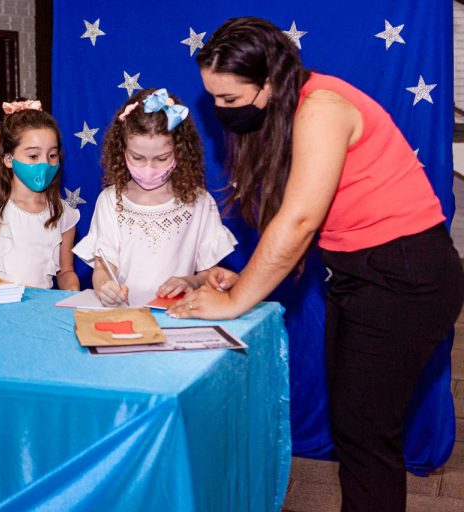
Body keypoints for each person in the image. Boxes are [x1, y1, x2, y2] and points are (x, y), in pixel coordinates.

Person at [169, 16, 464, 512]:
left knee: (366, 436)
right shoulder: (291, 108)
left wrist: (236, 300)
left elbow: (301, 220)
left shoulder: (322, 106)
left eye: (230, 98)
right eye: (214, 98)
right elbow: (315, 214)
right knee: (356, 430)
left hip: (406, 275)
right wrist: (248, 276)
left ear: (269, 81)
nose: (220, 110)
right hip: (360, 275)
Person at [72, 88, 237, 307]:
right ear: (122, 150)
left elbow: (209, 274)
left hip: (178, 316)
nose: (149, 168)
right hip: (125, 317)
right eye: (138, 157)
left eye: (161, 158)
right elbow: (103, 268)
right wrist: (105, 287)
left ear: (181, 152)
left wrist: (190, 281)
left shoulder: (200, 202)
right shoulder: (111, 200)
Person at [0, 100, 80, 290]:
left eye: (52, 155)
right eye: (33, 156)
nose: (44, 163)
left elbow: (65, 271)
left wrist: (72, 290)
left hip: (42, 305)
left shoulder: (63, 213)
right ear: (9, 159)